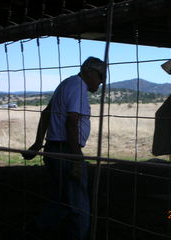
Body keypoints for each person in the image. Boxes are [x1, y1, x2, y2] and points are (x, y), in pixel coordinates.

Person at [22, 57, 106, 240]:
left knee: (64, 200)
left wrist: (38, 144)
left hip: (54, 149)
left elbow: (46, 113)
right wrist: (77, 158)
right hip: (66, 151)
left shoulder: (67, 83)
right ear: (90, 72)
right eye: (101, 76)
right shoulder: (78, 87)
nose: (102, 81)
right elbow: (72, 122)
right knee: (80, 205)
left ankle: (35, 229)